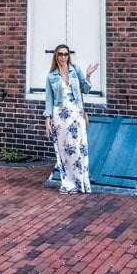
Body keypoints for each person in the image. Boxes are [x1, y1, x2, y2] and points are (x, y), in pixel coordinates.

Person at [44, 43, 99, 194]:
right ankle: (67, 183)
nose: (63, 57)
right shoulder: (51, 76)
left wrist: (88, 75)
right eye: (60, 54)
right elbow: (49, 100)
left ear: (69, 56)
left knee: (78, 148)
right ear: (56, 56)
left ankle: (80, 182)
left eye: (66, 54)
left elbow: (86, 89)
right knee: (63, 150)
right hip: (60, 117)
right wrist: (47, 120)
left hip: (76, 114)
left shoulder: (76, 70)